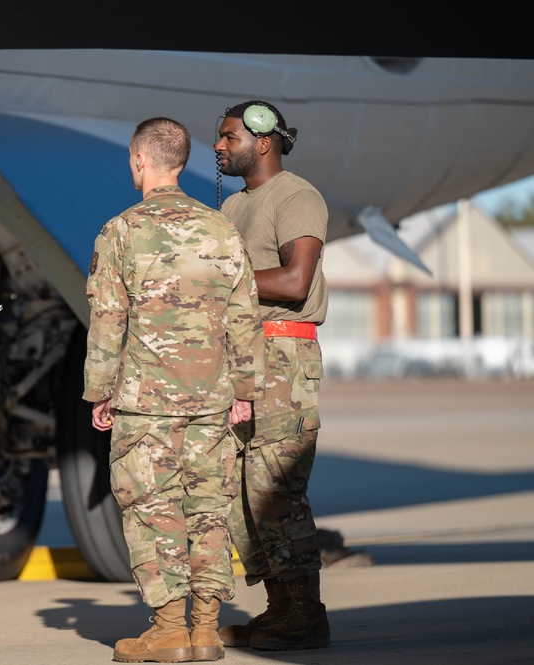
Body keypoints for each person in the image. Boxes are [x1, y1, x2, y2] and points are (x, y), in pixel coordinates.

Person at [83, 117, 265, 663]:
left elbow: (108, 320)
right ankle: (207, 629)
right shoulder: (220, 230)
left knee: (151, 509)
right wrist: (246, 389)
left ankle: (169, 629)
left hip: (146, 404)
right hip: (212, 400)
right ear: (181, 162)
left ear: (139, 160)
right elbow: (244, 316)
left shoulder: (121, 231)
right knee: (209, 509)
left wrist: (100, 391)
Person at [213, 100, 331, 650]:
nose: (218, 146)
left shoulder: (297, 196)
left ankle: (306, 612)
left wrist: (215, 283)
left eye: (228, 137)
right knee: (241, 492)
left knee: (276, 490)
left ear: (263, 141)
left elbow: (294, 281)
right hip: (243, 357)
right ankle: (280, 605)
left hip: (283, 359)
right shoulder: (235, 204)